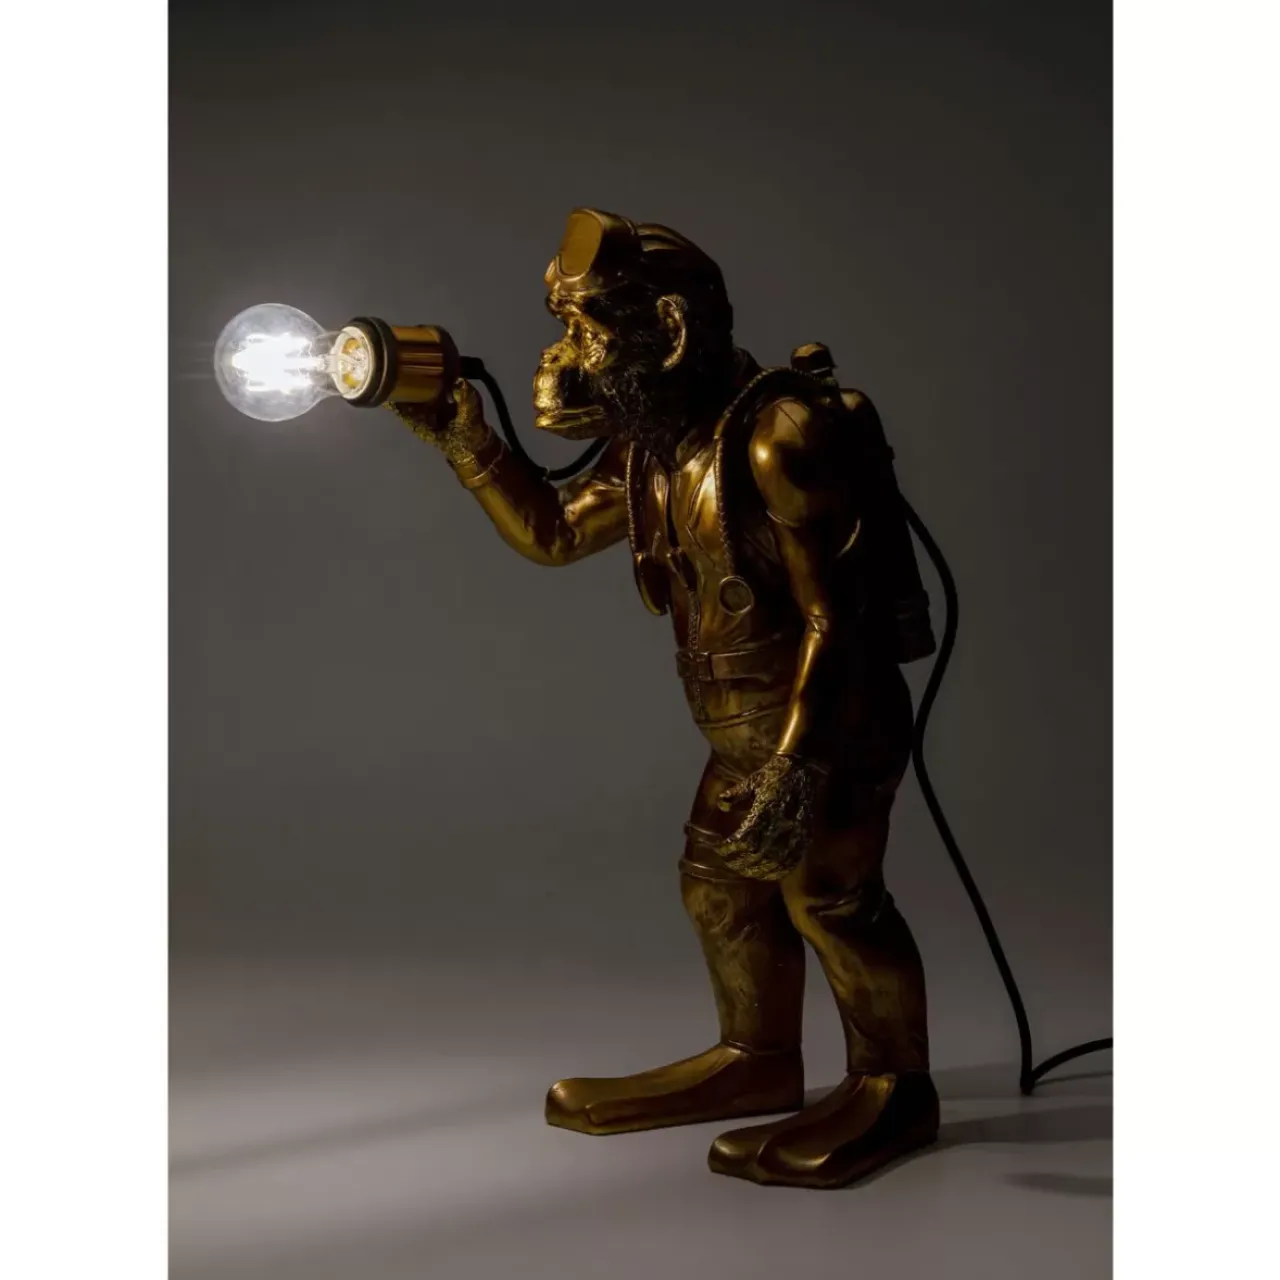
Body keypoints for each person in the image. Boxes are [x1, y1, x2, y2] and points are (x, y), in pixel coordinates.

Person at [388, 207, 939, 1189]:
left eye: (586, 328)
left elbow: (838, 621)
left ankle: (893, 1082)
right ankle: (757, 1056)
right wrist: (468, 440)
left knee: (829, 896)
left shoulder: (776, 437)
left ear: (671, 329)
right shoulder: (656, 446)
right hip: (739, 734)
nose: (563, 355)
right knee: (717, 886)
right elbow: (556, 531)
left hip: (829, 725)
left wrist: (798, 766)